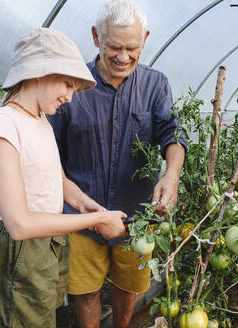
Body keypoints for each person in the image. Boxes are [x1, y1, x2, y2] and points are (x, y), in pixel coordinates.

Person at [0, 27, 128, 328]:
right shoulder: (4, 125)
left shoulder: (40, 120)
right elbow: (19, 224)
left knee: (41, 319)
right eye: (68, 84)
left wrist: (90, 206)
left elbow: (59, 181)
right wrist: (96, 221)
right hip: (17, 252)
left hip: (47, 243)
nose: (70, 98)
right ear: (39, 72)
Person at [47, 0, 187, 327]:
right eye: (114, 47)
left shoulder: (156, 85)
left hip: (136, 215)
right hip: (81, 218)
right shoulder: (72, 87)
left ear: (146, 39)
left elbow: (174, 134)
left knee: (128, 289)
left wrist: (172, 175)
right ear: (96, 37)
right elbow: (49, 152)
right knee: (86, 293)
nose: (123, 57)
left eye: (132, 48)